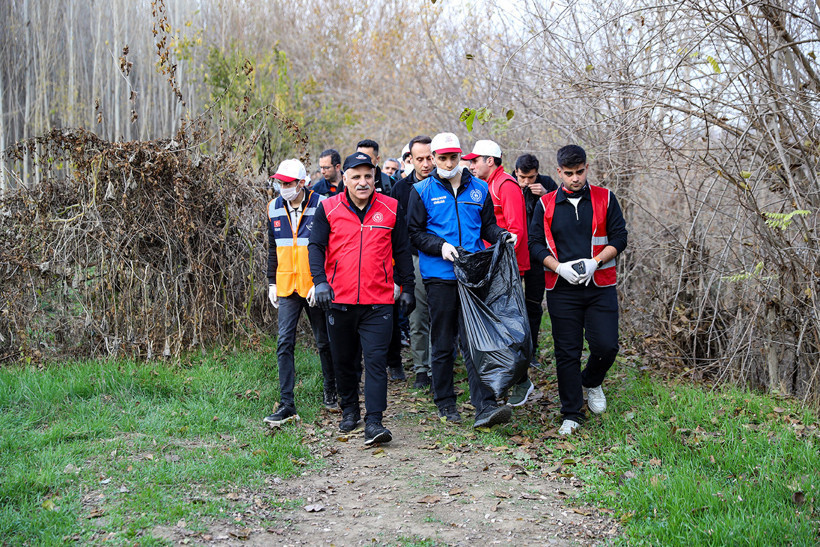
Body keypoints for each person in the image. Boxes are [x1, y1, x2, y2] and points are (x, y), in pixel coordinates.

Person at [407, 132, 514, 428]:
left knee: (476, 341)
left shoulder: (480, 188)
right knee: (443, 341)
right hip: (439, 275)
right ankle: (445, 401)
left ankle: (485, 405)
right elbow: (414, 233)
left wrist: (501, 236)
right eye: (441, 158)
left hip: (473, 275)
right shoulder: (422, 190)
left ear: (460, 156)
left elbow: (487, 226)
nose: (447, 162)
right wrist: (440, 246)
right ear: (433, 159)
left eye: (453, 157)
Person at [308, 152, 416, 445]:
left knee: (376, 361)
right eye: (356, 177)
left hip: (378, 301)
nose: (362, 182)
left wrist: (407, 287)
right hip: (338, 300)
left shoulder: (391, 208)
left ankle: (374, 422)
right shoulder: (328, 208)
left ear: (375, 177)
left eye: (368, 176)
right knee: (344, 361)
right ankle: (350, 410)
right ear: (345, 178)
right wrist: (319, 282)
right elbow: (315, 246)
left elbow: (402, 250)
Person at [528, 145, 627, 435]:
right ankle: (571, 412)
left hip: (600, 285)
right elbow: (535, 244)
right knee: (566, 352)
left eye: (580, 172)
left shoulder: (606, 198)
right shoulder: (546, 204)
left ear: (587, 168)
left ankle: (592, 380)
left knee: (606, 346)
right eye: (569, 173)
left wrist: (595, 262)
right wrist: (558, 267)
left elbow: (620, 237)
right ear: (558, 172)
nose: (575, 179)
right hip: (562, 288)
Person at [263, 159, 337, 426]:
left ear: (302, 183)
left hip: (314, 285)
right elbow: (274, 247)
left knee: (323, 341)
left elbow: (331, 247)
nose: (282, 187)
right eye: (280, 182)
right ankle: (286, 403)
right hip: (286, 285)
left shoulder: (323, 204)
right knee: (284, 343)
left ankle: (332, 388)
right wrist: (271, 281)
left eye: (288, 183)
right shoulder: (273, 208)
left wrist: (323, 282)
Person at [464, 140, 533, 407]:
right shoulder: (486, 186)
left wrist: (502, 269)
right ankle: (504, 380)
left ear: (489, 160)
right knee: (496, 329)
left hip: (507, 272)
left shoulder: (506, 185)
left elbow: (516, 231)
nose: (471, 165)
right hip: (493, 269)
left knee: (509, 329)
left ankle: (522, 381)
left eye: (475, 160)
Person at [391, 135, 436, 390]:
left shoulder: (444, 183)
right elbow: (397, 230)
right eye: (420, 159)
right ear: (410, 159)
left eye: (430, 157)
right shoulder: (400, 188)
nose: (426, 163)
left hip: (443, 255)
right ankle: (421, 368)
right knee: (417, 315)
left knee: (442, 314)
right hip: (414, 257)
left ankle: (442, 363)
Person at [514, 153, 558, 368]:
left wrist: (547, 194)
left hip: (537, 255)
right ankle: (512, 350)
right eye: (523, 177)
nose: (527, 182)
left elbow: (562, 212)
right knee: (510, 305)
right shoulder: (509, 185)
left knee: (533, 304)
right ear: (516, 173)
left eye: (531, 178)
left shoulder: (547, 184)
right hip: (514, 254)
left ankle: (531, 350)